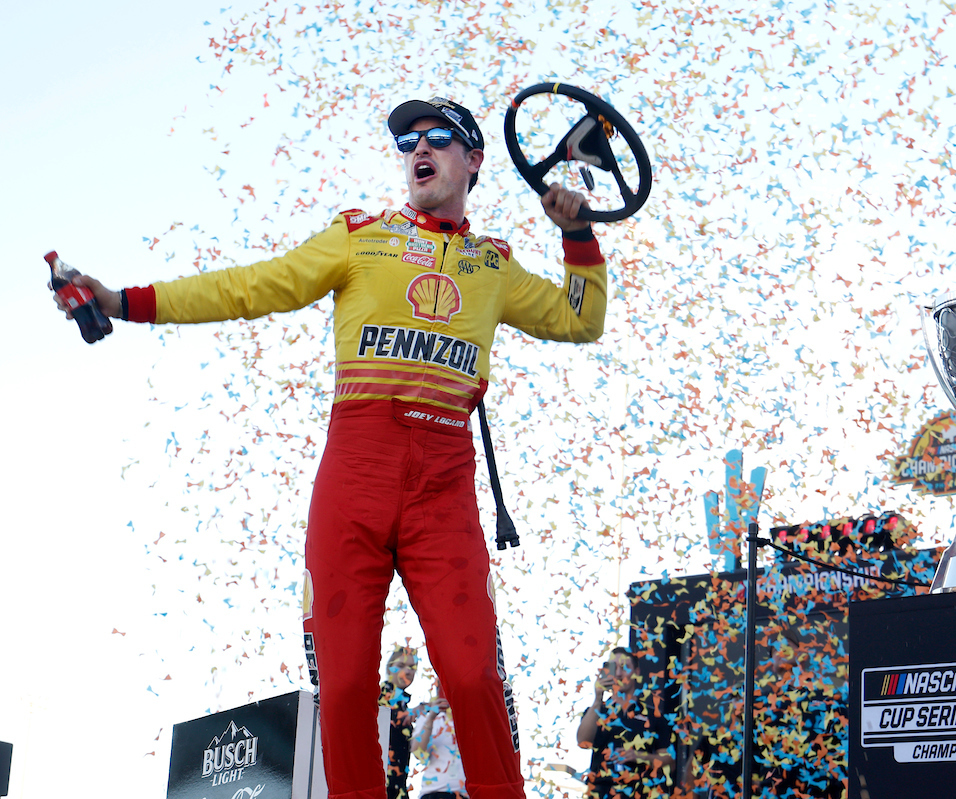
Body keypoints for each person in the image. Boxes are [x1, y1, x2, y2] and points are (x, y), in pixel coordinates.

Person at [53, 96, 606, 799]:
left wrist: (580, 239)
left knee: (472, 676)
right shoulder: (358, 236)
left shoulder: (492, 265)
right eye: (407, 141)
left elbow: (579, 320)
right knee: (343, 684)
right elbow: (251, 287)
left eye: (437, 137)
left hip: (443, 486)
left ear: (473, 160)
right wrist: (124, 299)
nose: (417, 148)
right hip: (355, 479)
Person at [577, 647, 675, 799]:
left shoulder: (652, 716)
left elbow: (669, 760)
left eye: (624, 667)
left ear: (636, 671)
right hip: (601, 790)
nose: (618, 674)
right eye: (613, 668)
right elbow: (583, 741)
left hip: (638, 791)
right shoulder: (597, 711)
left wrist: (640, 756)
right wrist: (598, 698)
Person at [413, 682, 468, 799]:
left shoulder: (468, 719)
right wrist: (431, 716)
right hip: (434, 792)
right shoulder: (427, 717)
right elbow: (418, 753)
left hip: (464, 793)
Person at [380, 646, 420, 799]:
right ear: (390, 669)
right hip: (381, 786)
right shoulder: (381, 695)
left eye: (412, 667)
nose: (408, 671)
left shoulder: (404, 703)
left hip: (398, 788)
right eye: (401, 665)